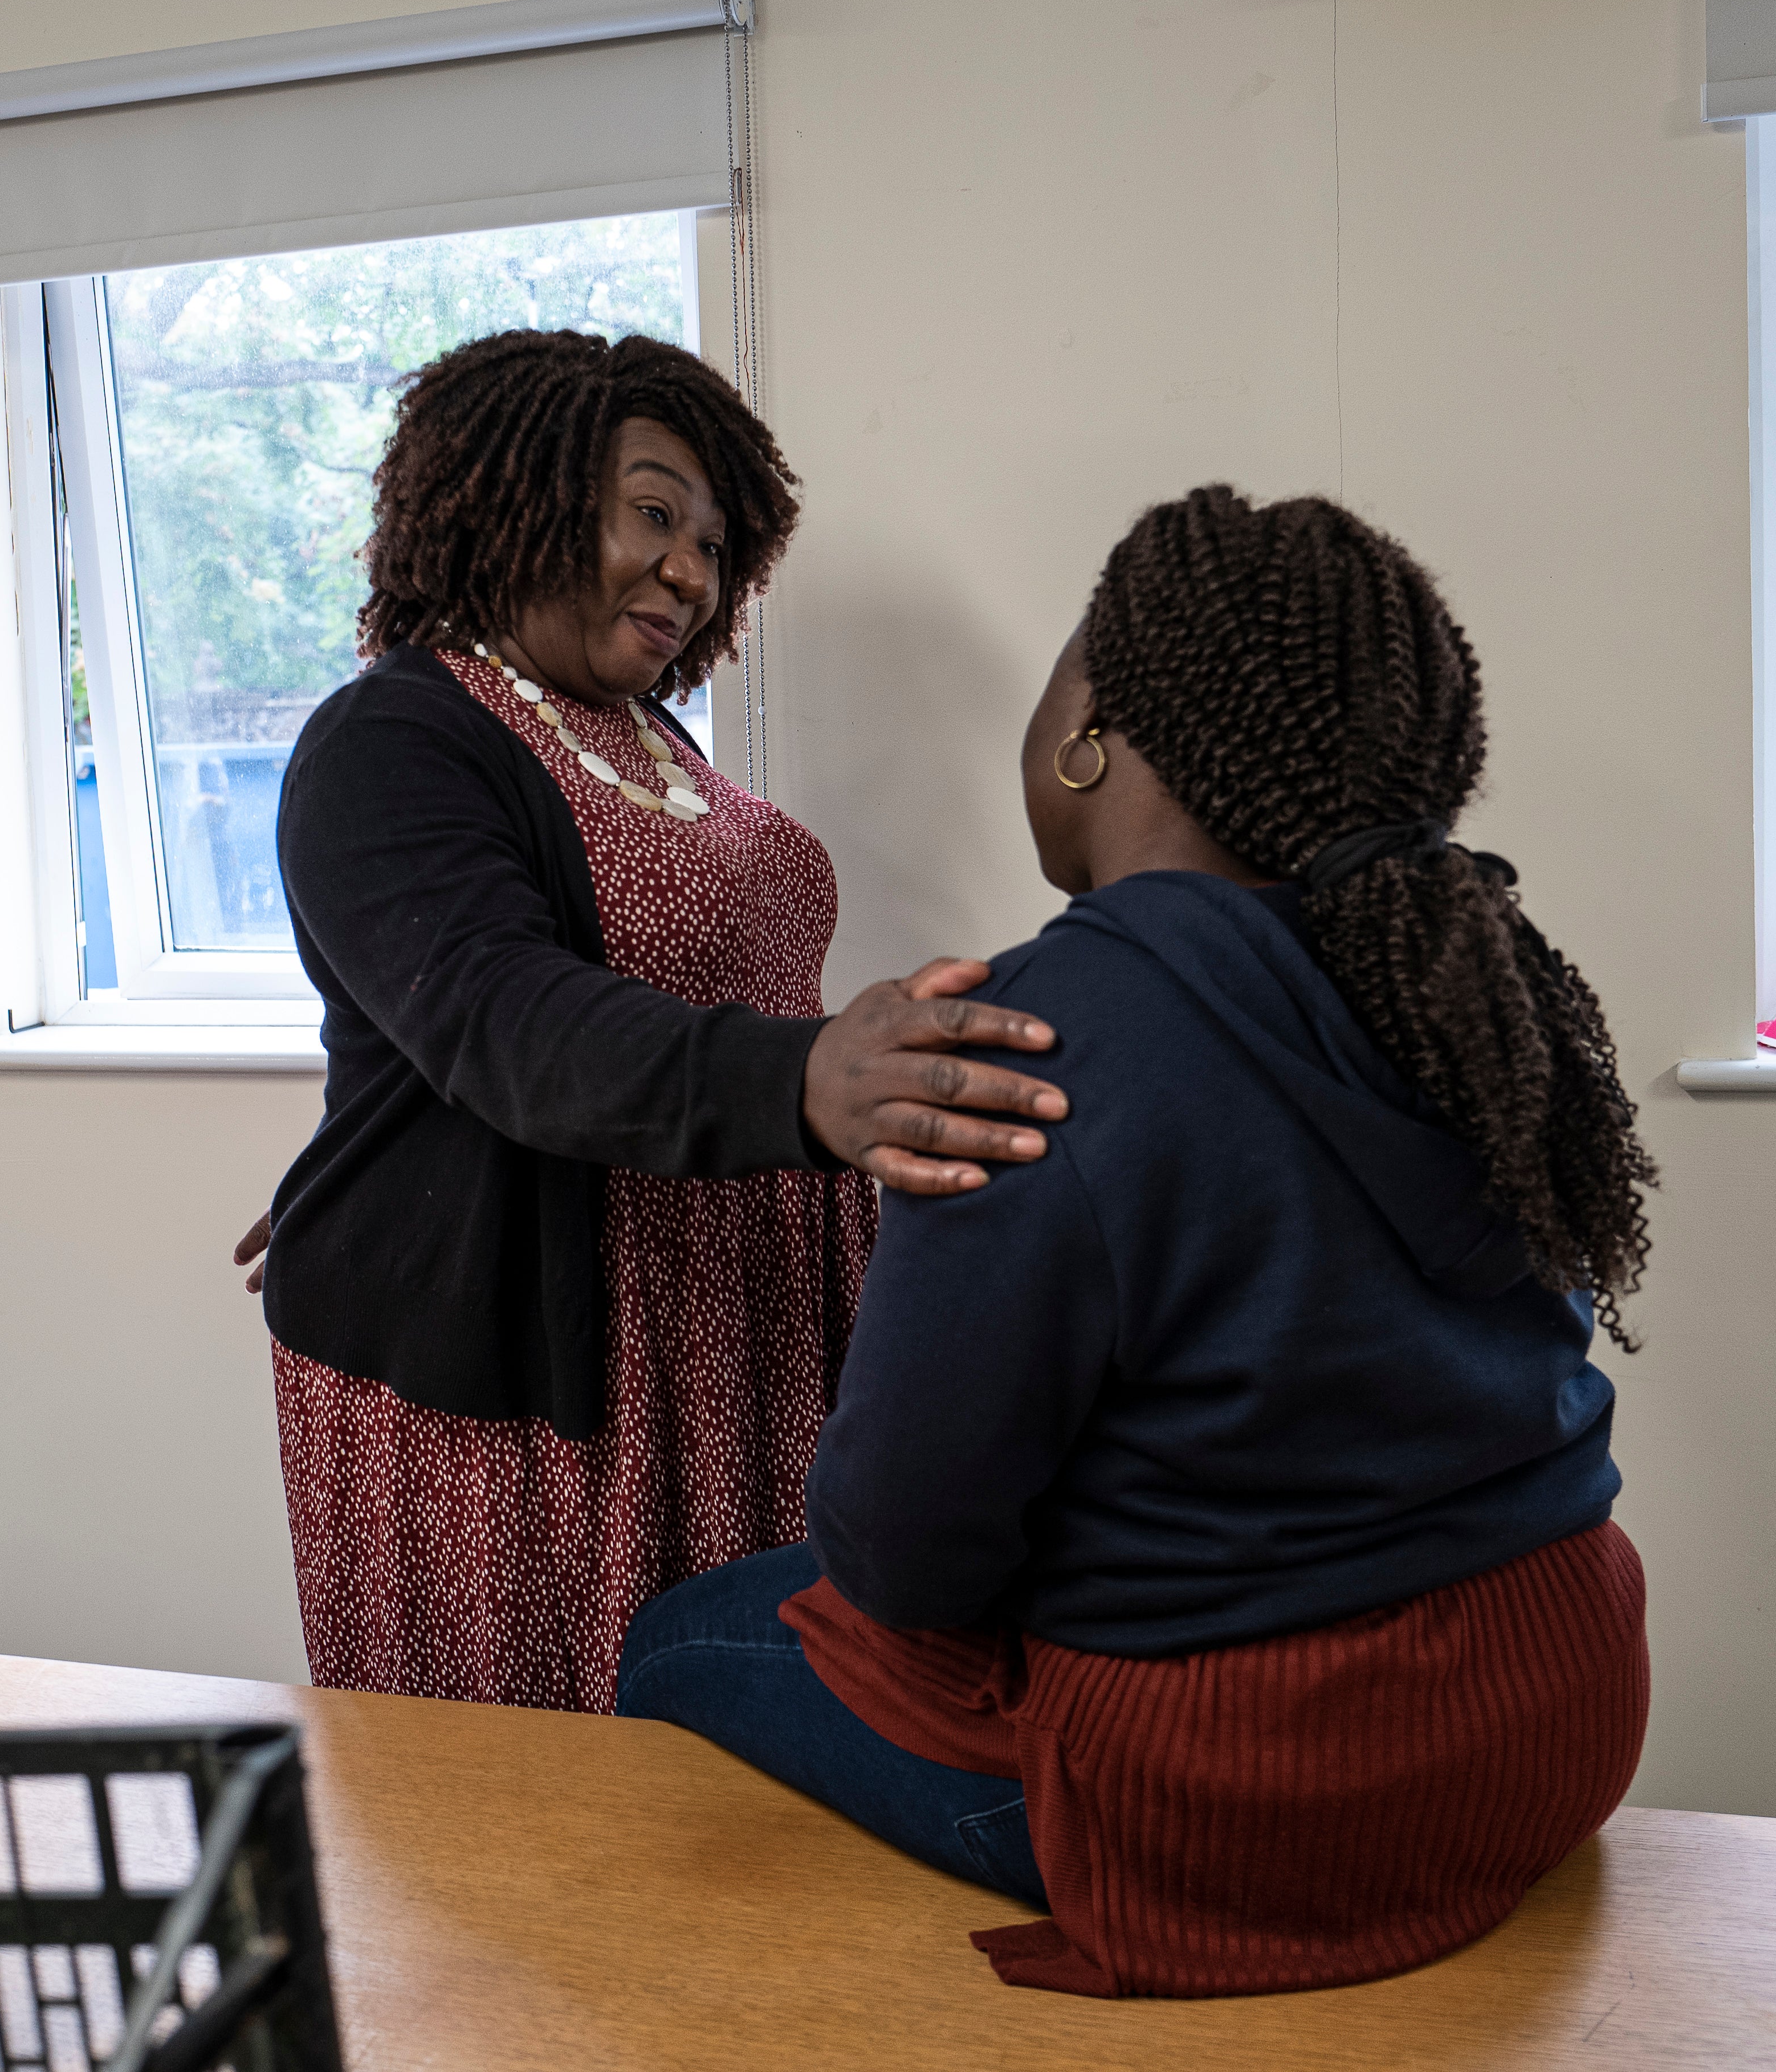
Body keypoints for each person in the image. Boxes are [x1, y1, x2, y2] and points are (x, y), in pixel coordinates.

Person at [616, 483, 1659, 1998]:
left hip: (1269, 1801)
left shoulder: (1037, 1033)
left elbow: (902, 1549)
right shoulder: (1468, 981)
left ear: (1088, 725)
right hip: (1559, 1710)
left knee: (681, 1635)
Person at [237, 329, 1071, 1714]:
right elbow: (503, 1016)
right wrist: (808, 1074)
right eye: (652, 512)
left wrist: (391, 1155)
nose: (691, 567)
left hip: (729, 1323)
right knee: (561, 1806)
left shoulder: (642, 739)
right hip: (545, 1387)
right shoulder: (389, 738)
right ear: (511, 493)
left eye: (713, 541)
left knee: (736, 1762)